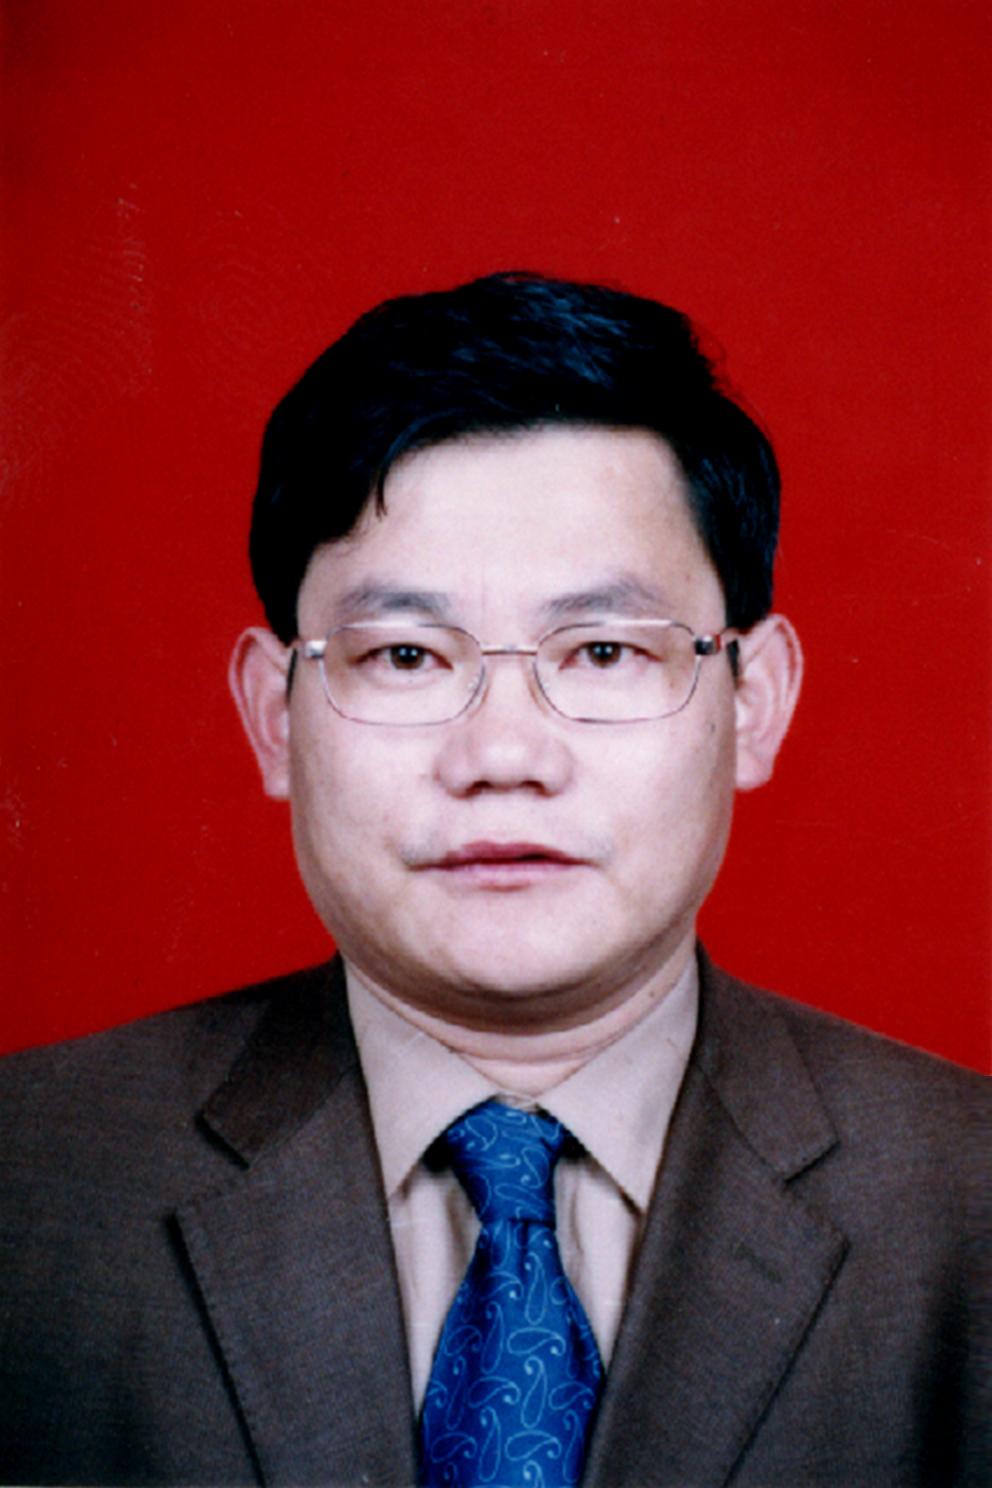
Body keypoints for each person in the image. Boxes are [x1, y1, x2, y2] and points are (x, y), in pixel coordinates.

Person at [0, 273, 987, 1488]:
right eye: (406, 656)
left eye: (603, 650)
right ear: (272, 715)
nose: (503, 755)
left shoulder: (968, 1203)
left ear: (752, 703)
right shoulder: (27, 1182)